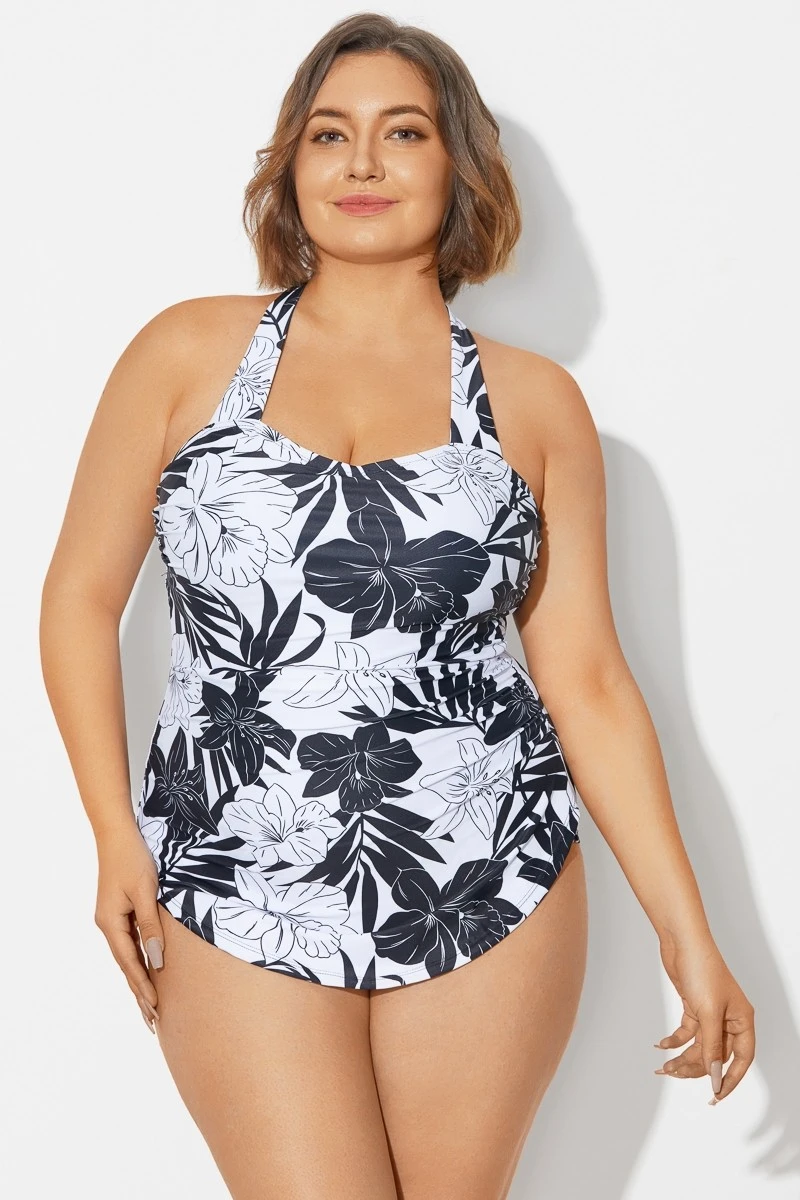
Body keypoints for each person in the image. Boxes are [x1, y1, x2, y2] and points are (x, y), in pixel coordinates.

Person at [39, 12, 755, 1199]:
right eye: (329, 134)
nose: (361, 162)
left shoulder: (534, 404)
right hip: (228, 862)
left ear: (456, 166)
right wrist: (114, 834)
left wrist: (689, 933)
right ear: (290, 167)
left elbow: (583, 680)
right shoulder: (185, 354)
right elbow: (77, 599)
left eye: (403, 132)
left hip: (488, 870)